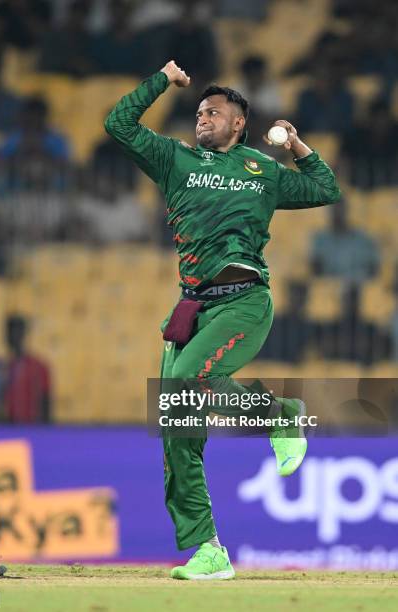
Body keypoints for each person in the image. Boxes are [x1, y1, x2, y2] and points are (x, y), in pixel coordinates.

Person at [105, 60, 341, 580]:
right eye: (199, 112)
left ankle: (281, 415)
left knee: (189, 383)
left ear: (239, 123)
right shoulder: (175, 159)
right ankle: (208, 549)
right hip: (193, 310)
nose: (202, 118)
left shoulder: (264, 171)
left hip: (243, 302)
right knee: (177, 426)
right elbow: (118, 125)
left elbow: (327, 189)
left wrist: (297, 146)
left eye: (214, 112)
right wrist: (162, 80)